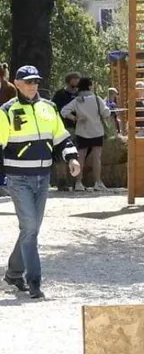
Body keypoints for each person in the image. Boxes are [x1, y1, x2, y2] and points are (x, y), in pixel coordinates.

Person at [1, 65, 81, 299]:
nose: (33, 85)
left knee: (31, 229)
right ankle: (34, 282)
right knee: (30, 228)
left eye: (36, 81)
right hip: (18, 179)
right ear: (17, 84)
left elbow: (61, 138)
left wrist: (72, 158)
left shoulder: (49, 107)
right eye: (28, 82)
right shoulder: (6, 111)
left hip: (43, 178)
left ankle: (13, 274)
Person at [61, 77, 115, 192]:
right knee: (97, 158)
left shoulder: (77, 100)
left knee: (80, 157)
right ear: (90, 86)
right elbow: (106, 113)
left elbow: (64, 111)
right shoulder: (96, 99)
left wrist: (75, 118)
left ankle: (78, 183)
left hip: (81, 131)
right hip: (97, 131)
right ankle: (98, 182)